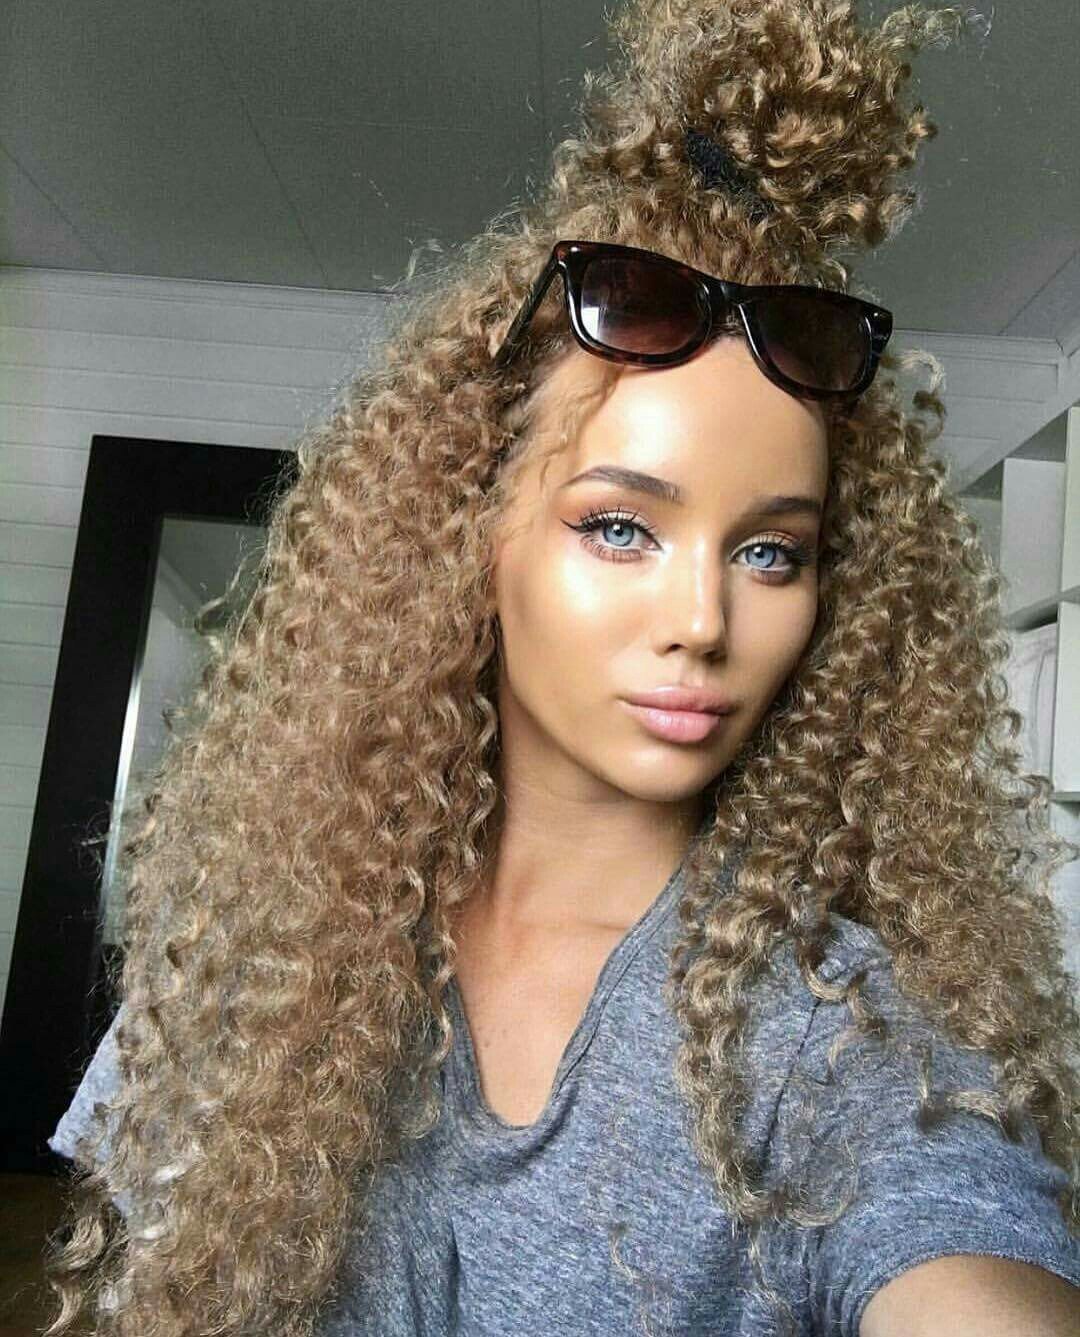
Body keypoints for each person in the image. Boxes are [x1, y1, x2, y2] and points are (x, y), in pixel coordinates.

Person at [42, 2, 1080, 1335]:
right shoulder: (267, 947)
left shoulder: (842, 1042)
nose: (702, 619)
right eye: (620, 527)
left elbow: (962, 1250)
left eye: (772, 551)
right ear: (470, 532)